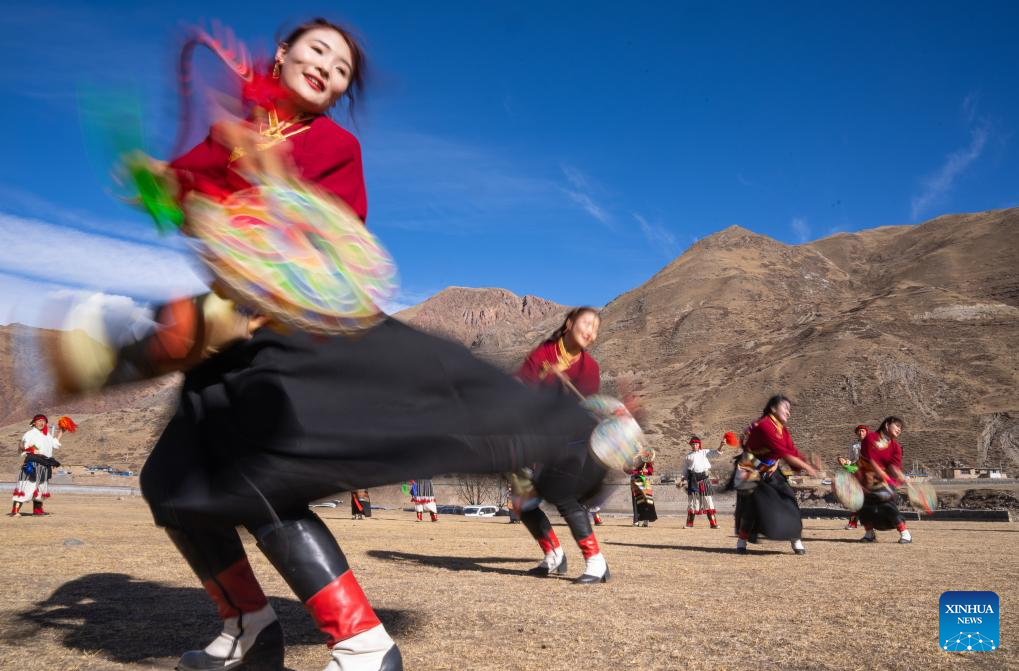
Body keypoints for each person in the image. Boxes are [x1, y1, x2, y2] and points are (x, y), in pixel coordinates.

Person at [54, 18, 604, 671]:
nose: (329, 68)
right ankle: (251, 626)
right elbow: (188, 192)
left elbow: (337, 251)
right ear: (282, 54)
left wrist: (278, 191)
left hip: (293, 340)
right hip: (227, 339)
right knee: (172, 481)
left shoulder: (335, 145)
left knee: (257, 479)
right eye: (318, 51)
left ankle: (360, 643)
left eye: (341, 69)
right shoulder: (231, 130)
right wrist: (154, 182)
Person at [514, 308, 611, 584]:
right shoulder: (542, 354)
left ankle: (596, 562)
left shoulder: (590, 367)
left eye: (596, 328)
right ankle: (554, 555)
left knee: (563, 495)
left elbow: (583, 410)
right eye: (586, 323)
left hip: (570, 439)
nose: (591, 331)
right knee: (523, 501)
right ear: (569, 324)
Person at [734, 395, 819, 555]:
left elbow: (791, 450)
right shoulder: (764, 425)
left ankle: (795, 538)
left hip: (771, 468)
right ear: (773, 408)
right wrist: (807, 466)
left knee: (789, 499)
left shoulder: (782, 429)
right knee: (751, 508)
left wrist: (806, 462)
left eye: (789, 409)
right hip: (750, 468)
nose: (789, 413)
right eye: (785, 408)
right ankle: (742, 540)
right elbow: (783, 452)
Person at [856, 417, 912, 544]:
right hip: (866, 479)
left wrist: (900, 475)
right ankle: (869, 534)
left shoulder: (896, 447)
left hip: (884, 482)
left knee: (887, 504)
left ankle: (905, 533)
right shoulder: (870, 438)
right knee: (863, 507)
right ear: (887, 425)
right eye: (897, 425)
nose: (899, 429)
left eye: (901, 428)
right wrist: (880, 472)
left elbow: (894, 467)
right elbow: (870, 459)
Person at [9, 415, 64, 517]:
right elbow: (23, 445)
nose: (41, 423)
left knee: (41, 488)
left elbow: (54, 444)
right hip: (32, 463)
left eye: (43, 421)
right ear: (34, 423)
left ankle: (37, 511)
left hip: (44, 464)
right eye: (39, 421)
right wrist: (31, 449)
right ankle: (15, 510)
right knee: (27, 486)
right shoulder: (29, 434)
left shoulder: (47, 435)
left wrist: (61, 431)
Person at [678, 437, 720, 528]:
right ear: (691, 445)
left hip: (704, 480)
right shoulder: (688, 456)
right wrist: (681, 480)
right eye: (693, 444)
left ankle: (713, 524)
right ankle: (689, 524)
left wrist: (721, 445)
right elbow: (685, 471)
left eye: (696, 444)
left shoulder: (704, 452)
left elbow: (716, 453)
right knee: (692, 502)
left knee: (708, 501)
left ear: (699, 444)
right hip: (692, 481)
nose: (694, 446)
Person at [839, 424, 868, 529]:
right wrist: (846, 462)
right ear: (856, 433)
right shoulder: (853, 446)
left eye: (863, 431)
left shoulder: (872, 444)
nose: (861, 433)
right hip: (857, 470)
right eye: (859, 431)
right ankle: (853, 522)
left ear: (866, 432)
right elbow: (851, 459)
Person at [628, 453, 657, 527]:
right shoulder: (633, 459)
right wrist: (636, 471)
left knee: (646, 501)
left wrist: (646, 471)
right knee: (636, 500)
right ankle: (636, 521)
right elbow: (629, 470)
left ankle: (646, 521)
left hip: (644, 482)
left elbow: (650, 471)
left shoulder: (648, 463)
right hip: (635, 481)